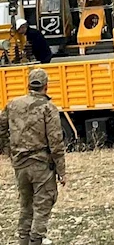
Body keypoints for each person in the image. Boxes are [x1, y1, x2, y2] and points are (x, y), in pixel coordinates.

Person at [0, 68, 66, 245]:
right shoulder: (48, 108)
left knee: (25, 206)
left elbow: (1, 129)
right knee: (42, 206)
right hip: (41, 165)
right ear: (46, 85)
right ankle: (36, 241)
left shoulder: (13, 104)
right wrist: (61, 171)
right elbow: (56, 141)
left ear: (28, 83)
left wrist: (9, 150)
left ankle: (23, 240)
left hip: (20, 164)